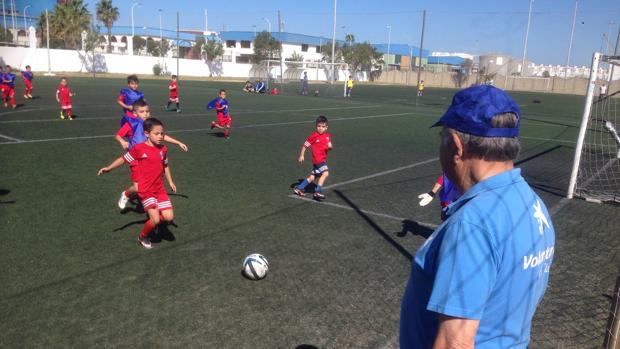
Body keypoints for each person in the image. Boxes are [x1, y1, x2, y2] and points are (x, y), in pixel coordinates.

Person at [400, 85, 555, 349]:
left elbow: (454, 343)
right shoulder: (532, 203)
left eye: (442, 137)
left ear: (457, 146)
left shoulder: (473, 224)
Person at [98, 118, 177, 250]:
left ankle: (153, 222)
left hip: (160, 189)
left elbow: (165, 165)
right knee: (156, 220)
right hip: (146, 190)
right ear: (147, 134)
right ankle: (143, 236)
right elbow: (123, 159)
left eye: (162, 134)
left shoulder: (163, 149)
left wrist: (170, 181)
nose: (160, 136)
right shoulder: (139, 148)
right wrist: (109, 168)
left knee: (169, 217)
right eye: (156, 133)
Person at [116, 99, 188, 210]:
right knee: (137, 186)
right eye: (142, 111)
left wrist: (178, 142)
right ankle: (125, 194)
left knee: (148, 183)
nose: (146, 114)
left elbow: (162, 136)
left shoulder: (150, 124)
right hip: (136, 158)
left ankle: (155, 203)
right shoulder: (131, 123)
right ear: (135, 113)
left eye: (147, 111)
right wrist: (122, 141)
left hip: (148, 157)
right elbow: (118, 135)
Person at [293, 115, 333, 200]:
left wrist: (330, 146)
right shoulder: (314, 136)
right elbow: (305, 145)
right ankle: (317, 191)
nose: (320, 128)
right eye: (319, 126)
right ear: (316, 126)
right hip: (318, 160)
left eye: (323, 126)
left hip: (322, 160)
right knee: (325, 173)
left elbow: (329, 146)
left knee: (312, 177)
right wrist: (302, 155)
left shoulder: (327, 136)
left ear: (326, 127)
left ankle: (299, 188)